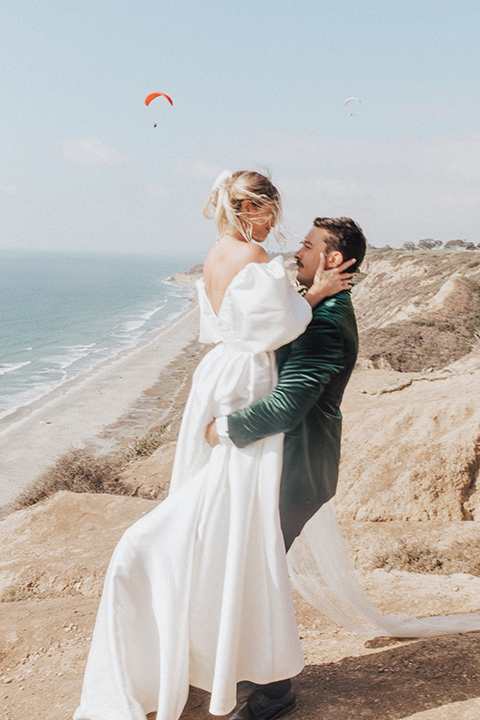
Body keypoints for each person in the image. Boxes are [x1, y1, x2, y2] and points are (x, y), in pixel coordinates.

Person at [73, 170, 355, 720]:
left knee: (234, 539)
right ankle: (240, 670)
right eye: (275, 213)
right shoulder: (254, 258)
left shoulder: (220, 252)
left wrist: (305, 297)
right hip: (244, 382)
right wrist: (312, 295)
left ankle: (235, 669)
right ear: (256, 208)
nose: (284, 232)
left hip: (220, 377)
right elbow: (277, 325)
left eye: (307, 244)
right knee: (238, 541)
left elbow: (241, 325)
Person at [206, 216, 365, 719]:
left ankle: (275, 693)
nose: (296, 252)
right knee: (255, 568)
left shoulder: (326, 321)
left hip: (297, 468)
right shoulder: (320, 306)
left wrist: (224, 429)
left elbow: (290, 403)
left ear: (334, 260)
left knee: (261, 574)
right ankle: (252, 667)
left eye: (307, 245)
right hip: (287, 464)